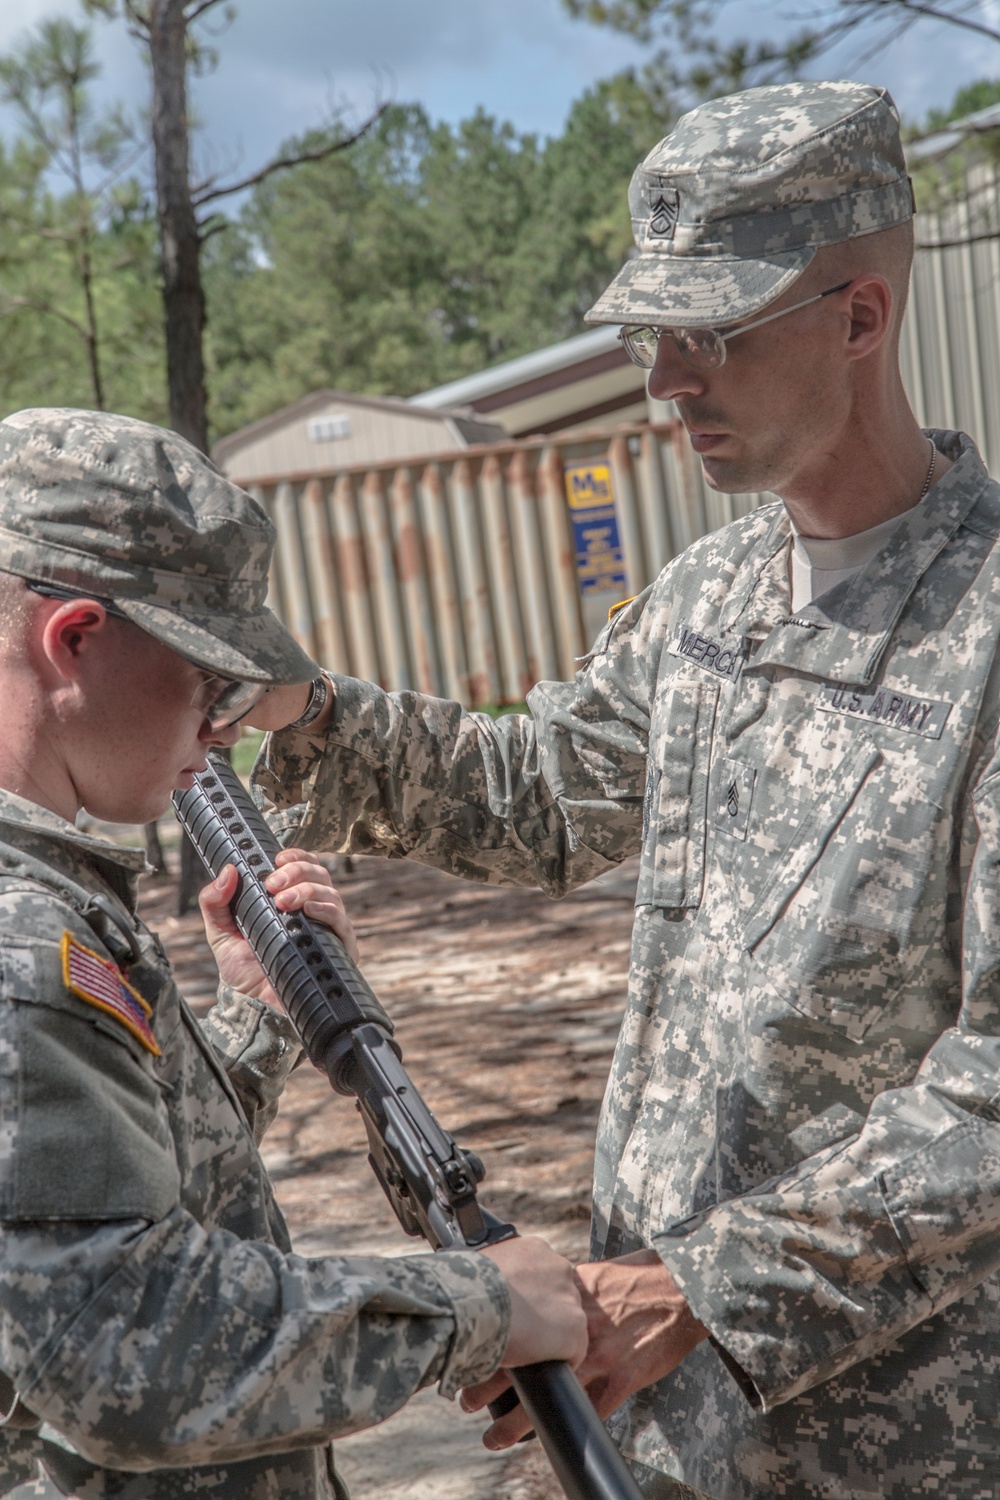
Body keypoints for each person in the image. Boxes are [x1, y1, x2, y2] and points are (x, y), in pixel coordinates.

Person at [248, 79, 1000, 1500]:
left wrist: (706, 1285)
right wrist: (307, 712)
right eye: (650, 335)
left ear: (860, 318)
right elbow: (542, 790)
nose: (662, 381)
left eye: (706, 333)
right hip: (655, 1424)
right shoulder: (711, 597)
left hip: (892, 1442)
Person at [0, 406, 586, 1500]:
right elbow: (118, 1341)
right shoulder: (22, 942)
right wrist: (479, 1306)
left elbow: (114, 1188)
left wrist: (257, 1017)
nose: (225, 726)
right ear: (74, 639)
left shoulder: (50, 897)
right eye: (211, 680)